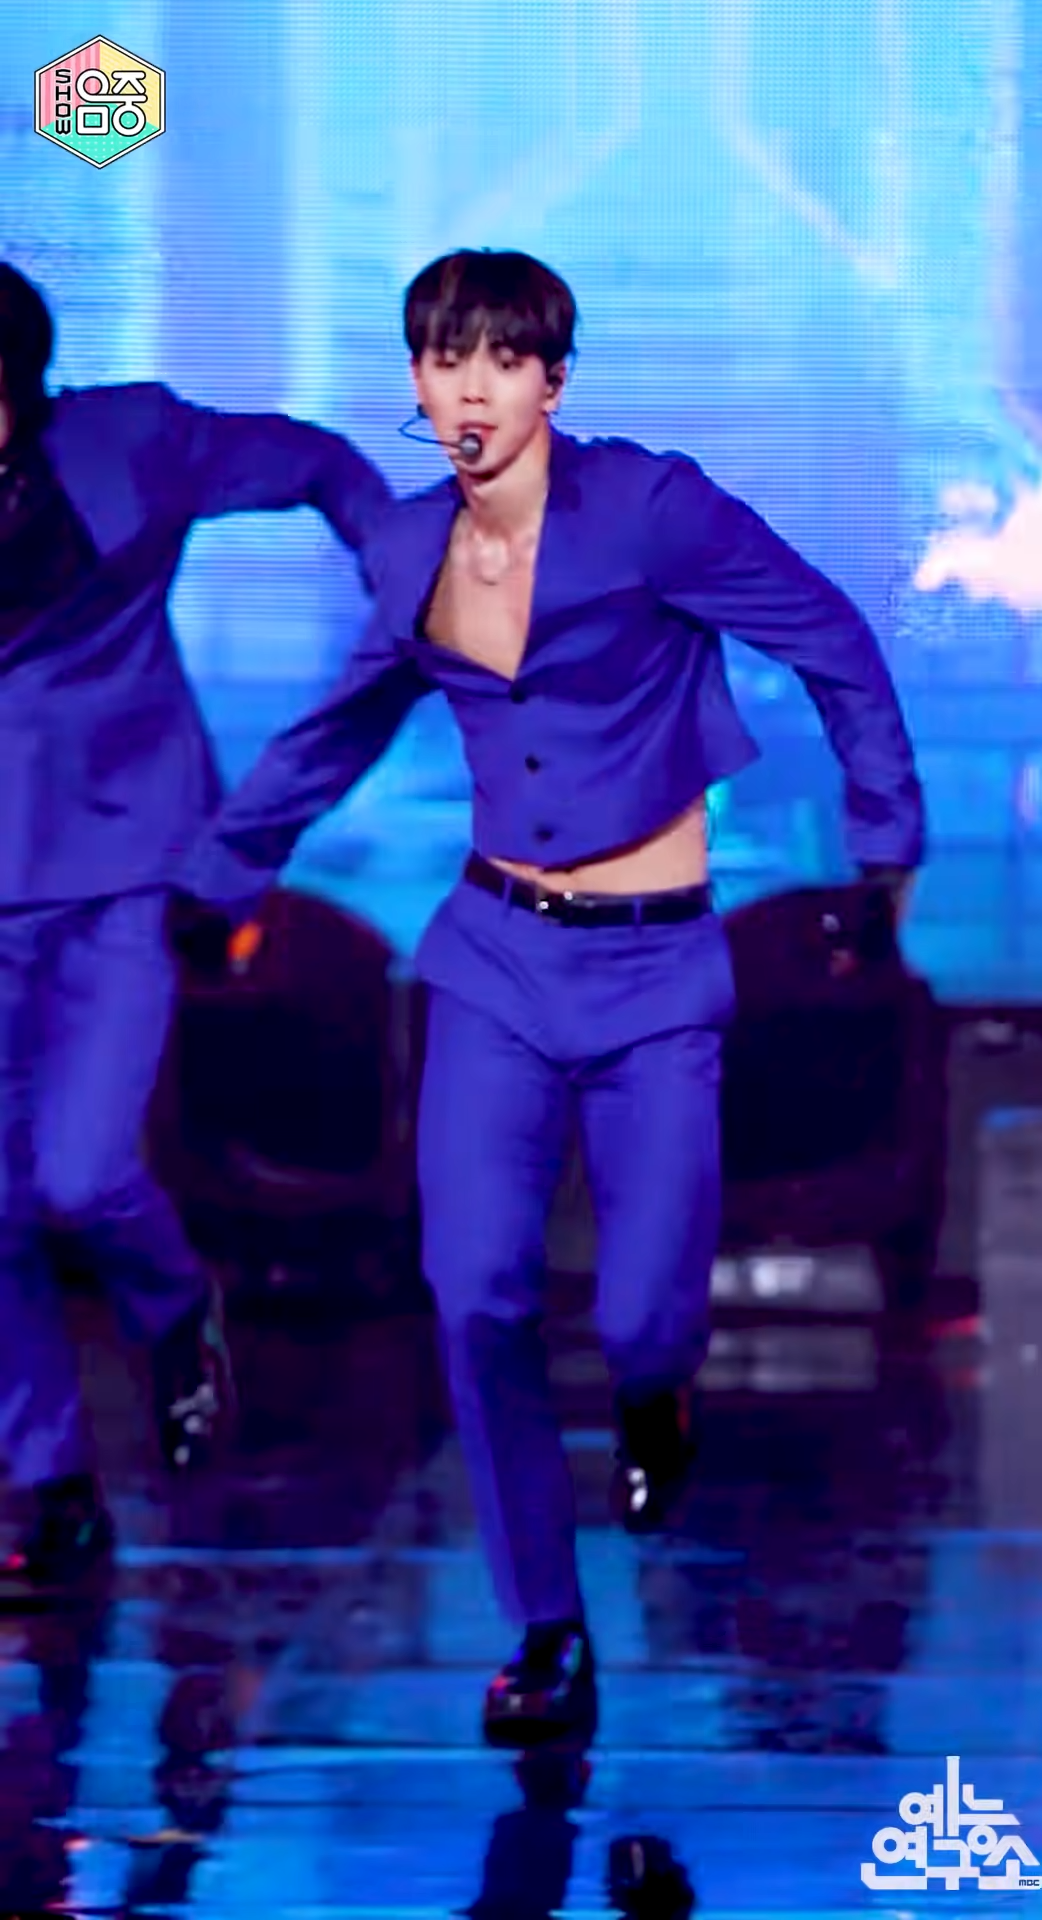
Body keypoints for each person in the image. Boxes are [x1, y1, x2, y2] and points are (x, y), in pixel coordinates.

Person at [169, 248, 925, 1748]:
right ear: (415, 379)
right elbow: (336, 729)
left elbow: (832, 637)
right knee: (477, 1293)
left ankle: (660, 1399)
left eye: (501, 360)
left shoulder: (652, 511)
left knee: (643, 1317)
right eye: (443, 359)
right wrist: (221, 874)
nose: (470, 389)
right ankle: (545, 1631)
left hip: (654, 972)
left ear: (553, 381)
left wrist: (885, 841)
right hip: (495, 963)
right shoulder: (407, 548)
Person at [0, 262, 392, 1595]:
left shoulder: (132, 442)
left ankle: (178, 1313)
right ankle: (53, 1486)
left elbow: (316, 460)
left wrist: (396, 561)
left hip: (123, 864)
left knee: (82, 1177)